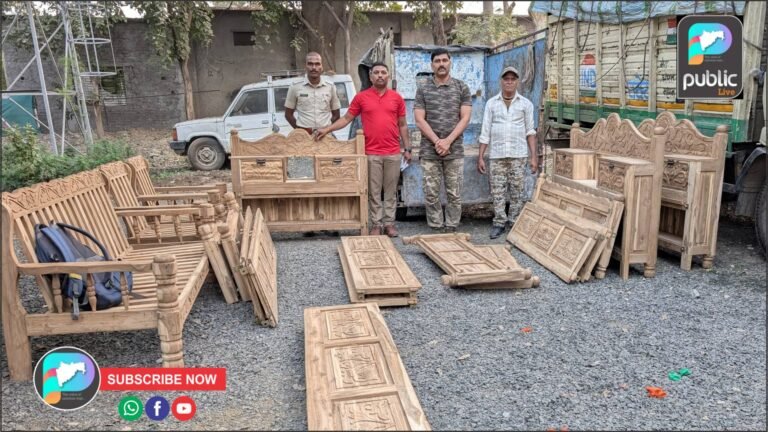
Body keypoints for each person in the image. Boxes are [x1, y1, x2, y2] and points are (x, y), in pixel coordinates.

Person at [315, 62, 411, 237]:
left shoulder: (397, 98)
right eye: (377, 73)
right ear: (370, 76)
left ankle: (389, 224)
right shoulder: (362, 97)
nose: (380, 75)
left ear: (388, 76)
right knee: (374, 191)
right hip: (371, 152)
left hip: (393, 152)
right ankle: (376, 224)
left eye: (383, 72)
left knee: (390, 191)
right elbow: (346, 119)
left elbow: (403, 125)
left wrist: (407, 148)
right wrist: (327, 129)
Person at [414, 48, 472, 233]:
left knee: (454, 193)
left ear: (450, 62)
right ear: (432, 64)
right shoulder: (423, 88)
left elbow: (465, 118)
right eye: (437, 61)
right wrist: (438, 142)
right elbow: (419, 119)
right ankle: (436, 227)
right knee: (431, 193)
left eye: (444, 60)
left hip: (454, 151)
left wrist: (448, 141)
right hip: (429, 152)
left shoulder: (461, 87)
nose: (441, 64)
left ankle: (452, 226)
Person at [477, 66, 538, 239]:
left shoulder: (525, 104)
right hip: (497, 155)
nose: (509, 82)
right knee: (498, 192)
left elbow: (530, 132)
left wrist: (534, 157)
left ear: (517, 82)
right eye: (506, 79)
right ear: (501, 81)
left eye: (513, 79)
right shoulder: (491, 103)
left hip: (518, 155)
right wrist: (481, 156)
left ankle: (514, 222)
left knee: (517, 191)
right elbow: (485, 131)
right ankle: (499, 222)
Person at [284, 52, 340, 135]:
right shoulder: (295, 87)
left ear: (322, 67)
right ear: (305, 66)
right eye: (310, 64)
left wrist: (326, 129)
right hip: (303, 138)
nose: (314, 67)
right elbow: (288, 115)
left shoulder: (330, 87)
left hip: (325, 137)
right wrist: (301, 131)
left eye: (317, 64)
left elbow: (336, 115)